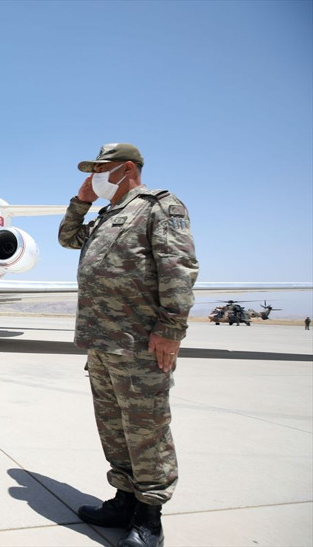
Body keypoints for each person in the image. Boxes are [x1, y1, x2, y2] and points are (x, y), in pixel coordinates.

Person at [58, 143, 198, 547]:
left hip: (140, 342)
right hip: (101, 341)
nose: (93, 177)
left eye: (99, 169)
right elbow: (68, 238)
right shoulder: (106, 216)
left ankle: (149, 517)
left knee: (146, 430)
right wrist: (79, 202)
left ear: (126, 169)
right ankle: (123, 500)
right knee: (115, 428)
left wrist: (170, 329)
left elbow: (179, 268)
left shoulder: (158, 207)